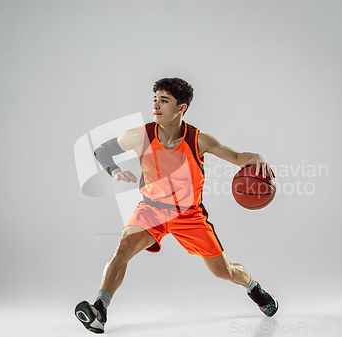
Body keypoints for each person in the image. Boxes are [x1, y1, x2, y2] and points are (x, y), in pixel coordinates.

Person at [75, 78, 278, 334]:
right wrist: (114, 171)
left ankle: (253, 287)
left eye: (164, 100)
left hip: (189, 215)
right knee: (123, 247)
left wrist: (257, 157)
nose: (156, 106)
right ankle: (99, 309)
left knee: (224, 272)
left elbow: (238, 158)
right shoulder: (140, 136)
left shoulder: (198, 140)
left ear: (181, 108)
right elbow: (102, 150)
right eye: (155, 99)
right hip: (151, 209)